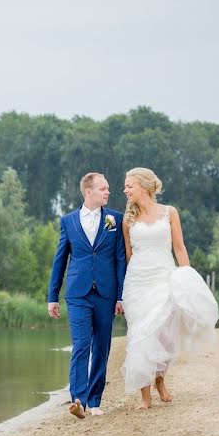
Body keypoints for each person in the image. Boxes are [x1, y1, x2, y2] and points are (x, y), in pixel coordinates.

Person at [119, 167, 219, 410]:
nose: (125, 190)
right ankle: (145, 396)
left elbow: (180, 247)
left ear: (143, 186)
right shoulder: (127, 220)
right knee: (140, 334)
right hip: (138, 283)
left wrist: (187, 278)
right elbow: (129, 255)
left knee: (165, 336)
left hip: (165, 277)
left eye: (129, 186)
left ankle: (160, 381)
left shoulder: (170, 212)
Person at [47, 172, 126, 419]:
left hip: (106, 293)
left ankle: (94, 400)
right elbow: (60, 260)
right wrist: (53, 296)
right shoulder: (69, 221)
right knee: (81, 344)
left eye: (108, 188)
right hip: (78, 293)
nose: (108, 192)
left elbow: (120, 259)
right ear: (88, 191)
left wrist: (121, 295)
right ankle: (78, 400)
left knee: (101, 347)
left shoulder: (115, 219)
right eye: (103, 188)